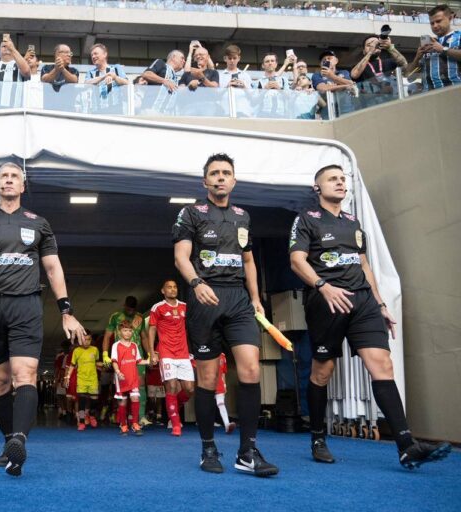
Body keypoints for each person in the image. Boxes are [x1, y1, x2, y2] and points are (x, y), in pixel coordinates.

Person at [288, 164, 452, 469]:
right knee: (322, 372)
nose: (340, 183)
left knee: (382, 364)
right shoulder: (306, 219)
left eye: (342, 179)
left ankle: (406, 446)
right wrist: (323, 287)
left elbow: (363, 265)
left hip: (363, 302)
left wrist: (380, 304)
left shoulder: (353, 222)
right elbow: (297, 261)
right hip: (327, 301)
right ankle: (318, 438)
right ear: (317, 188)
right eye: (332, 179)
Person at [0, 162, 85, 477]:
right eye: (4, 177)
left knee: (26, 374)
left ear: (23, 186)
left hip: (26, 305)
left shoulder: (39, 223)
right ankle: (9, 440)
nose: (9, 180)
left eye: (14, 177)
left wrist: (66, 310)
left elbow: (53, 268)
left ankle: (19, 440)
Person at [172, 153, 278, 477]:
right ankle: (208, 448)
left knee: (251, 370)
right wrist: (196, 283)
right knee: (207, 378)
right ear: (205, 181)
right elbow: (181, 256)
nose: (220, 177)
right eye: (215, 173)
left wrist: (256, 299)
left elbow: (248, 261)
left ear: (234, 180)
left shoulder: (243, 216)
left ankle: (247, 451)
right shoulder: (191, 213)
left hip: (239, 301)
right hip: (205, 299)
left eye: (226, 173)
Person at [148, 280, 194, 437]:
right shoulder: (157, 307)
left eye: (175, 287)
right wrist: (152, 352)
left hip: (183, 353)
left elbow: (192, 327)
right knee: (172, 387)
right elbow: (152, 329)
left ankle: (173, 405)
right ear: (163, 290)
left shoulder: (185, 306)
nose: (172, 289)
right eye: (169, 287)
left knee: (189, 389)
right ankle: (175, 424)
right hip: (166, 353)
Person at [102, 296, 150, 426]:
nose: (131, 312)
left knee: (140, 384)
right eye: (129, 309)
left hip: (136, 354)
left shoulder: (140, 317)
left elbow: (144, 337)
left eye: (133, 309)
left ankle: (140, 417)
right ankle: (123, 418)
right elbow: (107, 336)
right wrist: (105, 354)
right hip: (121, 357)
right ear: (124, 306)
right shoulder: (116, 317)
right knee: (123, 388)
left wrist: (149, 354)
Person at [406, 4, 460, 90]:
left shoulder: (459, 37)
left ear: (450, 18)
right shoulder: (428, 44)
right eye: (432, 23)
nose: (435, 26)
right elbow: (410, 78)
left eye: (438, 21)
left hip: (455, 93)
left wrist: (443, 50)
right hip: (430, 95)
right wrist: (417, 57)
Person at [111, 321, 149, 435]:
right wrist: (118, 372)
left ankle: (135, 424)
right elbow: (114, 361)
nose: (128, 333)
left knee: (135, 399)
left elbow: (138, 361)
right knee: (122, 402)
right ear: (120, 332)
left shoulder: (134, 345)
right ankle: (123, 425)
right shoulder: (116, 345)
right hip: (121, 378)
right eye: (125, 330)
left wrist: (149, 361)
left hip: (133, 378)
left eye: (130, 331)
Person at [350, 35, 408, 100]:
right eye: (368, 45)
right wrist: (370, 52)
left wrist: (390, 47)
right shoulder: (360, 66)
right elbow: (354, 75)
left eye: (376, 44)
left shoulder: (389, 62)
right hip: (371, 104)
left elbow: (404, 65)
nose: (373, 46)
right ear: (363, 51)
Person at [64, 331, 101, 431]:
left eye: (89, 339)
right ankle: (81, 422)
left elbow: (97, 363)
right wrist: (67, 377)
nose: (86, 341)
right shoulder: (76, 351)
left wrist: (105, 365)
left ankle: (91, 415)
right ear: (80, 340)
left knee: (94, 400)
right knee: (81, 401)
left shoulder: (95, 350)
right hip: (81, 379)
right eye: (84, 339)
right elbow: (72, 365)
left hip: (93, 379)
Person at [84, 43, 128, 114]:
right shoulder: (90, 72)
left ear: (105, 54)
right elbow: (86, 83)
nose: (93, 56)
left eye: (95, 54)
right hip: (97, 111)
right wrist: (104, 76)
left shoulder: (116, 68)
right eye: (92, 55)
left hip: (115, 110)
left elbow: (127, 83)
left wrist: (115, 77)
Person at [139, 50, 187, 114]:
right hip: (151, 111)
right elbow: (146, 74)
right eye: (182, 58)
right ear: (173, 57)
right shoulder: (161, 63)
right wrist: (164, 81)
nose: (184, 61)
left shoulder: (176, 78)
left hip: (166, 115)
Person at [311, 50, 355, 118]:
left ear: (336, 61)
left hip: (347, 111)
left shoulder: (344, 72)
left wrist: (332, 76)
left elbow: (351, 84)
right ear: (320, 64)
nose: (326, 60)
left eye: (329, 58)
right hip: (328, 113)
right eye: (323, 60)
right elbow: (322, 88)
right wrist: (345, 86)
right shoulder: (317, 75)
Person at [40, 44, 80, 110]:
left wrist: (62, 69)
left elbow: (74, 80)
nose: (69, 55)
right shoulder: (46, 68)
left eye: (70, 53)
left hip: (68, 110)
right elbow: (45, 80)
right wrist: (56, 69)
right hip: (49, 110)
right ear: (57, 54)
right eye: (66, 52)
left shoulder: (74, 70)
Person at [215, 353, 236, 433]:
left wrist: (224, 384)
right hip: (207, 382)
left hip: (219, 383)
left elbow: (223, 372)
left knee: (221, 403)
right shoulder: (206, 352)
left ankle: (227, 425)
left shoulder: (222, 356)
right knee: (206, 404)